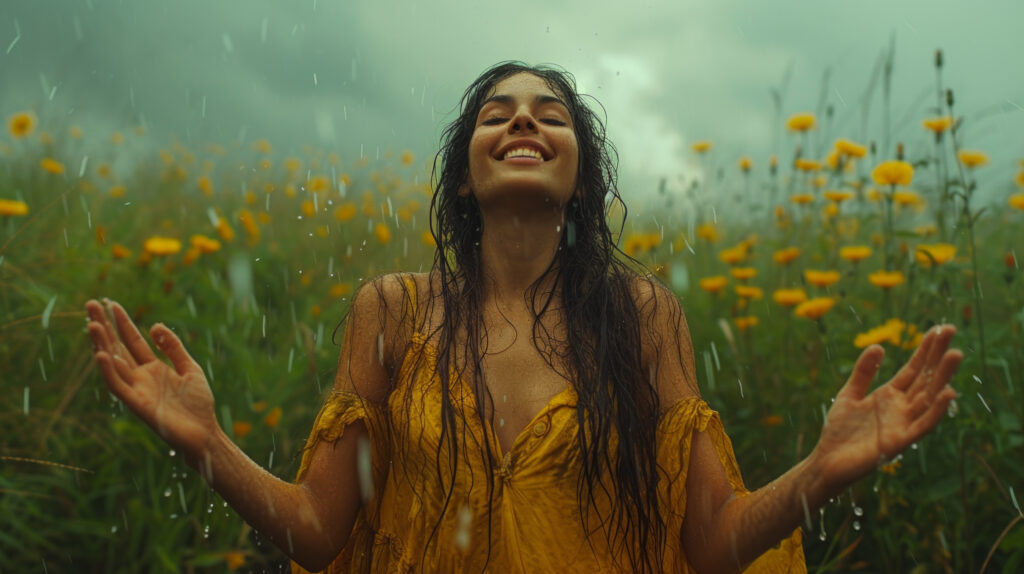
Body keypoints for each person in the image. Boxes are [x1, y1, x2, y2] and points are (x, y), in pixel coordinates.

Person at [85, 62, 963, 573]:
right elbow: (318, 536)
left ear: (579, 175)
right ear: (465, 174)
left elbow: (711, 540)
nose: (523, 123)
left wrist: (820, 469)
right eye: (497, 114)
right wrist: (207, 444)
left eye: (550, 116)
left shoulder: (644, 315)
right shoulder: (390, 311)